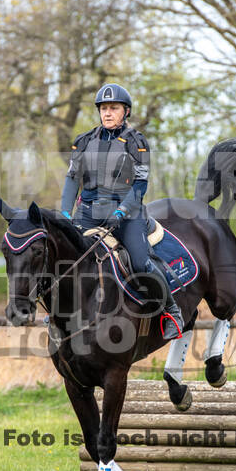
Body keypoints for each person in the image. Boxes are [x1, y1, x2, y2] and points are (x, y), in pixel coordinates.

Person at [61, 83, 183, 339]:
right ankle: (59, 315)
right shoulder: (83, 141)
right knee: (65, 256)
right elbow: (72, 179)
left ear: (125, 111)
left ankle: (172, 311)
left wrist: (122, 211)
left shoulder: (137, 142)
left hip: (127, 213)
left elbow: (140, 184)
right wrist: (65, 214)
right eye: (104, 108)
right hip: (89, 211)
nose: (107, 113)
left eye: (113, 108)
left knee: (139, 262)